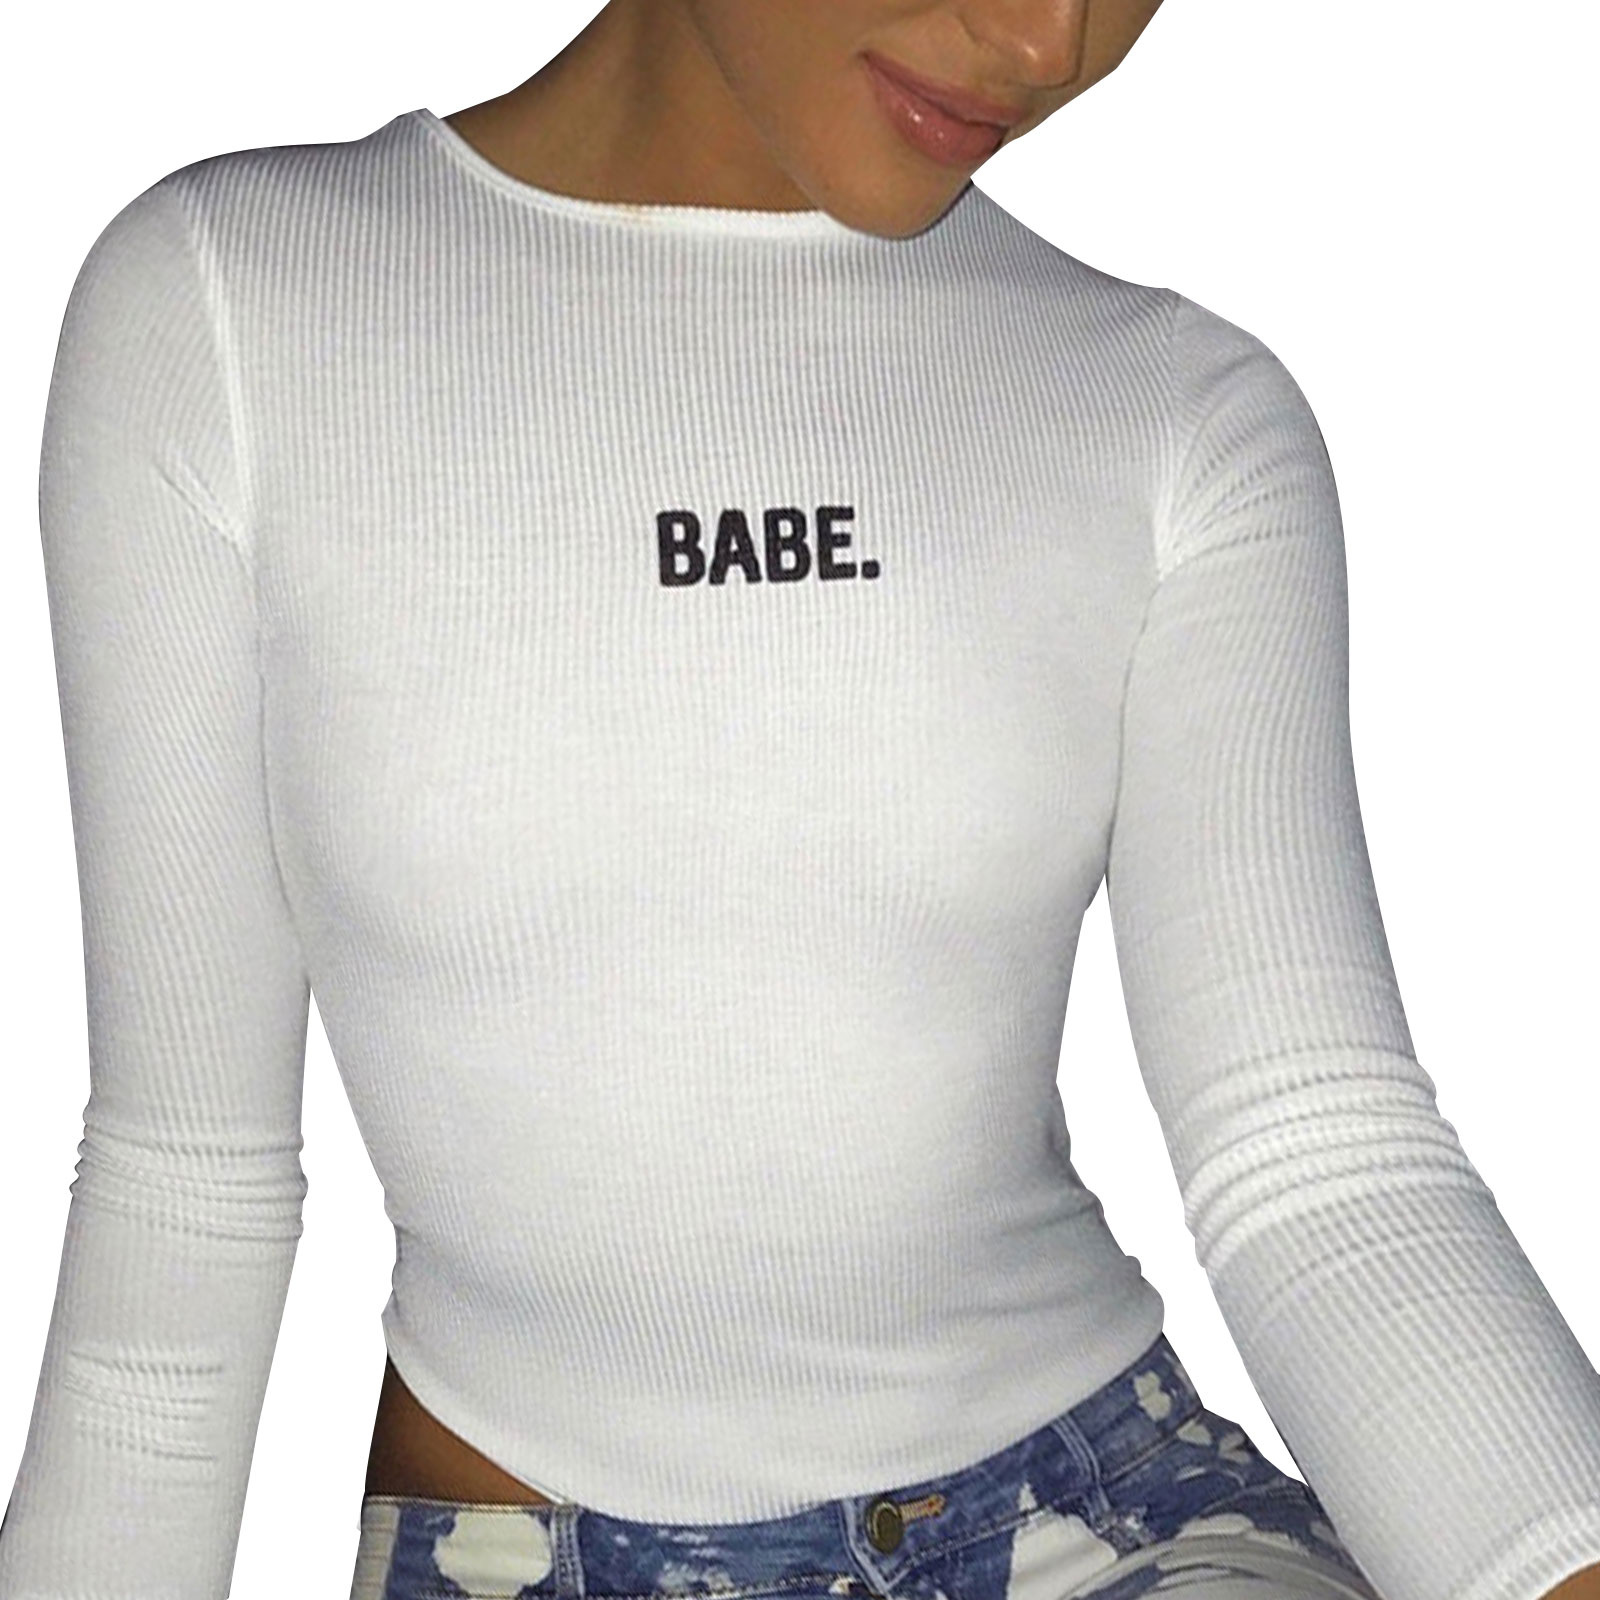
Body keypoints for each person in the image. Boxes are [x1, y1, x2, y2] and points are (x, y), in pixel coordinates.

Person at [3, 2, 1600, 1598]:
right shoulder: (230, 310)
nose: (1048, 38)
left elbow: (1319, 1155)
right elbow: (184, 1184)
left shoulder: (1173, 410)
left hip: (1109, 1522)